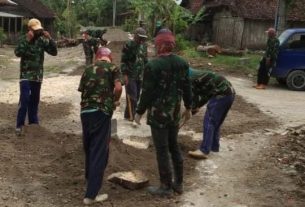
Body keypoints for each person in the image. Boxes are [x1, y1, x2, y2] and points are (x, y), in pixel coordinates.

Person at [134, 29, 192, 196]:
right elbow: (187, 87)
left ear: (159, 45)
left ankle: (165, 187)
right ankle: (179, 183)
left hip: (158, 115)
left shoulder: (153, 65)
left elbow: (147, 92)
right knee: (174, 146)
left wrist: (139, 111)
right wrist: (188, 107)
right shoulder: (182, 63)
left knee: (162, 149)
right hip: (174, 113)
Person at [78, 47, 122, 205]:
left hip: (85, 112)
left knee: (89, 147)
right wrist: (115, 100)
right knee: (99, 151)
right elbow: (118, 87)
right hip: (101, 112)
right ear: (109, 58)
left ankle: (89, 180)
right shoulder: (113, 68)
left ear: (97, 57)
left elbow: (82, 90)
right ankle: (91, 195)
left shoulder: (88, 69)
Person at [14, 18, 57, 136]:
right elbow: (17, 52)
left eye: (39, 30)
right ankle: (19, 125)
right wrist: (27, 40)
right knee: (24, 99)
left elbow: (54, 52)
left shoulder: (42, 40)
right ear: (30, 29)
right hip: (25, 76)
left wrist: (50, 39)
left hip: (37, 77)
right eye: (36, 30)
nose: (38, 32)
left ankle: (33, 124)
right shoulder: (24, 39)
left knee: (34, 101)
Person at [188, 68, 235, 159]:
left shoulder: (189, 78)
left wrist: (192, 108)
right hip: (229, 93)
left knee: (209, 122)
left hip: (221, 94)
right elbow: (206, 94)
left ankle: (204, 150)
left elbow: (193, 96)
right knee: (215, 122)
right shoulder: (196, 74)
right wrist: (196, 107)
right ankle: (214, 146)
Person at [120, 27, 148, 124]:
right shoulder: (129, 45)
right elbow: (123, 61)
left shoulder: (144, 46)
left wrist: (147, 72)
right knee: (132, 96)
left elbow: (145, 60)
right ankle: (132, 117)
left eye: (143, 38)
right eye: (140, 38)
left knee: (136, 96)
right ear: (135, 36)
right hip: (130, 74)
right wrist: (125, 75)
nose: (141, 40)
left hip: (140, 75)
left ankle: (128, 115)